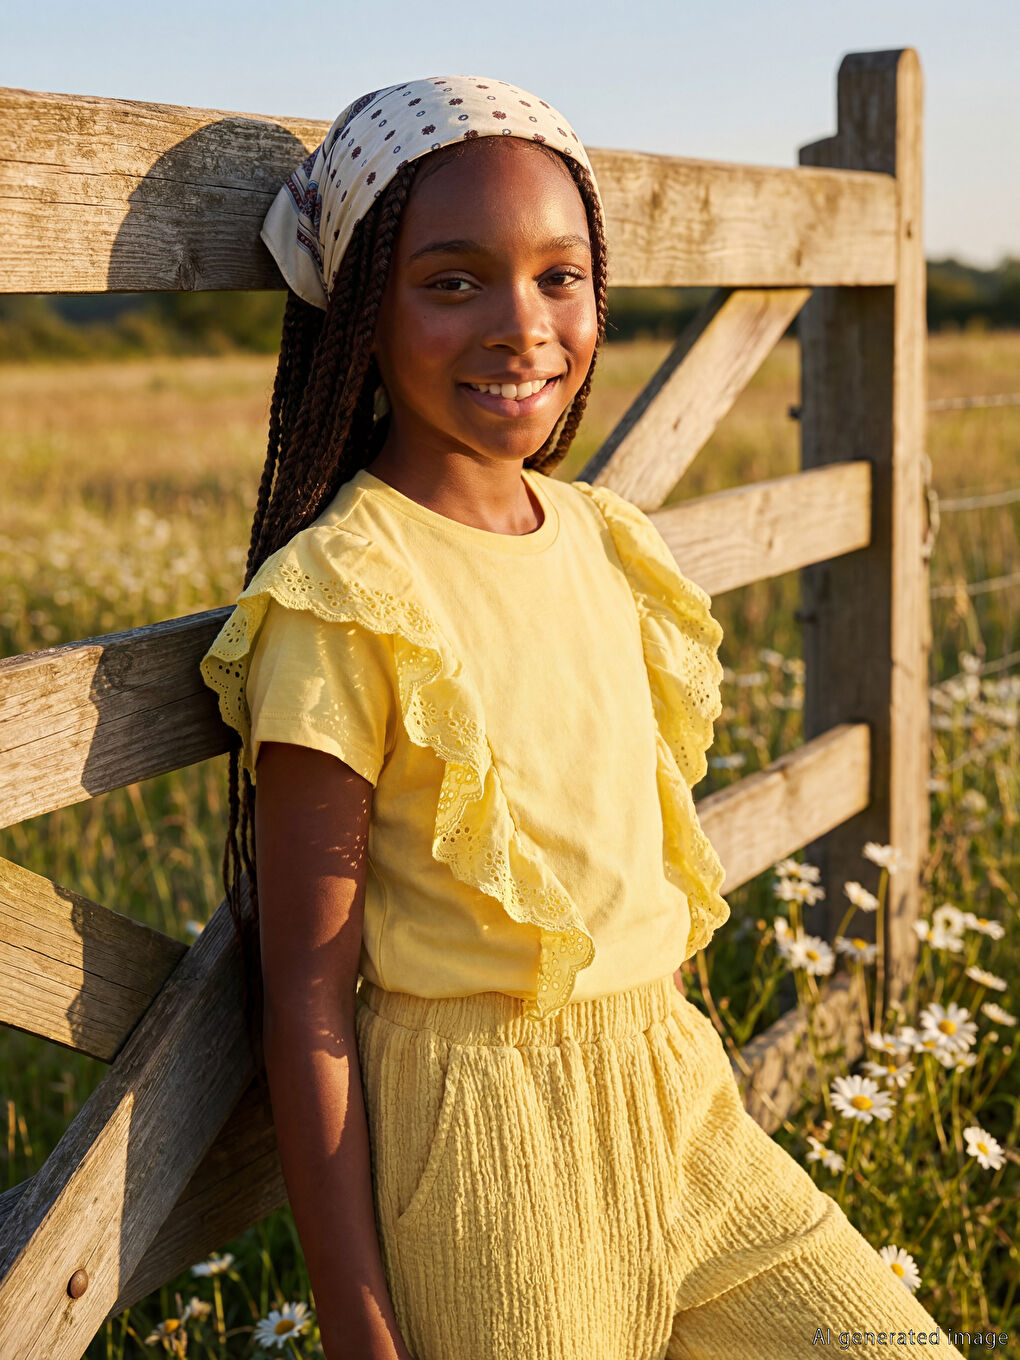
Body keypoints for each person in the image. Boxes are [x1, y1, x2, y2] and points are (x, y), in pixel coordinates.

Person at [199, 75, 965, 1360]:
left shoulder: (608, 539)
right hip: (494, 1146)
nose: (522, 326)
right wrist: (360, 1329)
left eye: (561, 276)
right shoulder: (349, 595)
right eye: (453, 282)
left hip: (678, 1098)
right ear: (363, 318)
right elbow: (308, 1001)